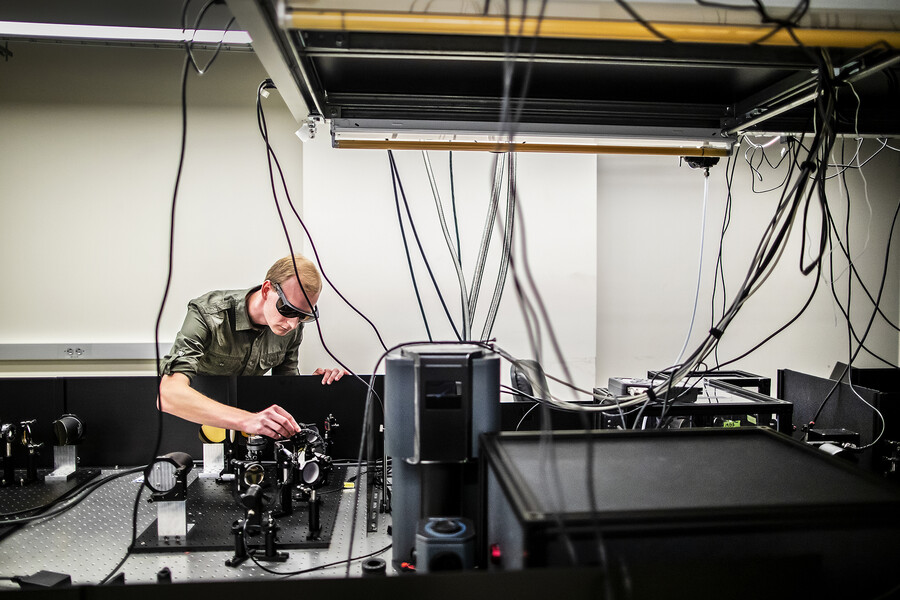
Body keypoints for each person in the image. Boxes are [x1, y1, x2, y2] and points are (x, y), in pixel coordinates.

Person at [159, 254, 344, 439]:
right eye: (288, 309)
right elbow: (168, 395)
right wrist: (248, 420)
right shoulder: (208, 314)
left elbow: (286, 390)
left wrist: (316, 387)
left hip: (251, 439)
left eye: (303, 316)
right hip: (196, 431)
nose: (292, 324)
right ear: (266, 290)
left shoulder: (291, 329)